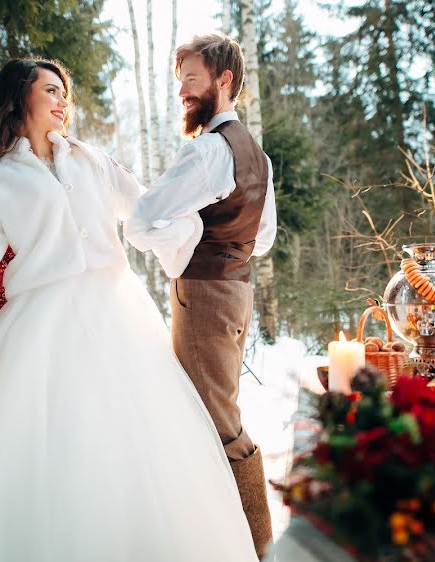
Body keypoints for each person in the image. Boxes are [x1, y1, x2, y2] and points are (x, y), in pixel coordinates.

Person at [0, 58, 258, 562]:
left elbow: (151, 208)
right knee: (36, 458)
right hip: (40, 326)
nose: (62, 101)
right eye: (51, 90)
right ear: (21, 100)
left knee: (132, 452)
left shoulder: (93, 160)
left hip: (117, 315)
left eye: (65, 92)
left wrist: (207, 230)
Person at [123, 34, 277, 558]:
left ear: (224, 80)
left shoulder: (210, 150)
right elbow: (265, 237)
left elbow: (142, 220)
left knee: (214, 422)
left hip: (206, 296)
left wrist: (185, 241)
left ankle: (253, 545)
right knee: (212, 414)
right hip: (236, 293)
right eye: (179, 80)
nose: (184, 91)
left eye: (192, 79)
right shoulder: (256, 153)